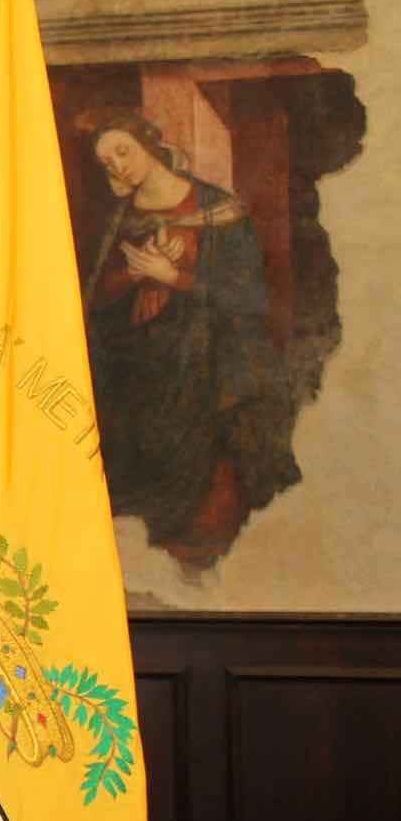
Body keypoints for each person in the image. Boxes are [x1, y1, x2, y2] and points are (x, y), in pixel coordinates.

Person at [81, 111, 301, 567]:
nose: (119, 166)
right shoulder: (123, 217)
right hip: (138, 357)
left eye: (124, 151)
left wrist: (174, 276)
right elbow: (97, 297)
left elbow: (248, 297)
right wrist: (137, 275)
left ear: (149, 145)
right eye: (108, 162)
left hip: (204, 355)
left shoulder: (219, 210)